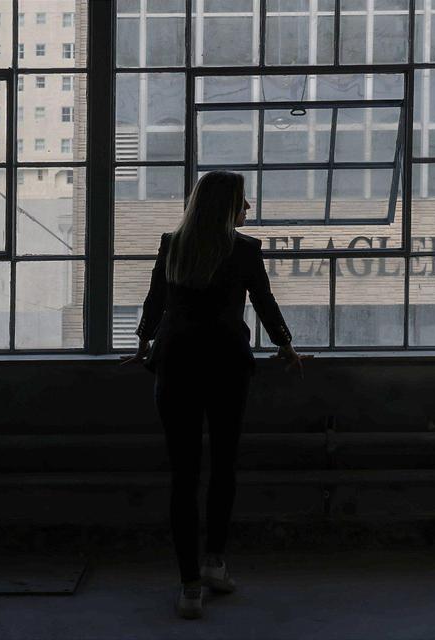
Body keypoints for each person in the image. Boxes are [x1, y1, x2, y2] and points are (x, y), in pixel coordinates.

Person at [120, 170, 308, 620]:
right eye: (244, 201)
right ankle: (215, 564)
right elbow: (264, 303)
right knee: (224, 465)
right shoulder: (243, 249)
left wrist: (144, 342)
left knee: (183, 475)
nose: (249, 208)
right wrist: (285, 344)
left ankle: (188, 587)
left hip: (177, 362)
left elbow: (155, 302)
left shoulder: (173, 244)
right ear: (229, 206)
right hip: (226, 363)